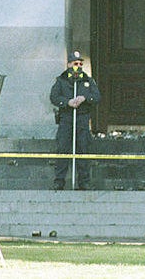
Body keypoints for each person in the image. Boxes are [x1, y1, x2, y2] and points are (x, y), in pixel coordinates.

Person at [50, 50, 101, 190]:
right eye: (74, 63)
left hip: (82, 119)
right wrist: (67, 102)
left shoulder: (87, 80)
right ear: (68, 65)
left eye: (79, 64)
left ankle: (84, 181)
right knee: (63, 149)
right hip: (67, 119)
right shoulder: (61, 80)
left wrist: (85, 98)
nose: (77, 66)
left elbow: (97, 96)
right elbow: (54, 97)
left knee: (83, 149)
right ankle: (59, 181)